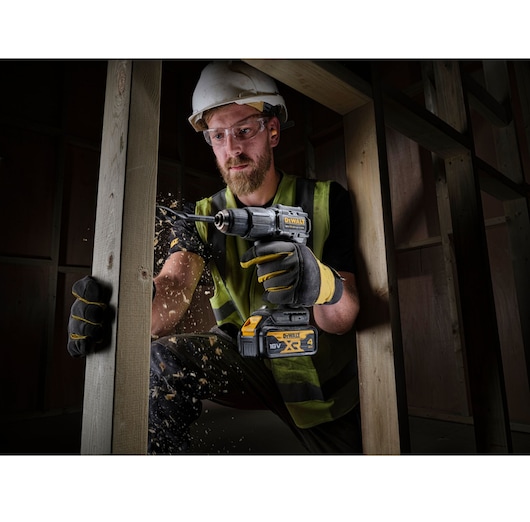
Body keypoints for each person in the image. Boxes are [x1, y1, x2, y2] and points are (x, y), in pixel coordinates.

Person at [68, 60, 362, 454]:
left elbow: (342, 319)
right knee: (162, 360)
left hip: (318, 378)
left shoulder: (326, 201)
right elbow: (171, 292)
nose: (232, 149)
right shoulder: (206, 218)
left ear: (272, 131)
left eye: (244, 131)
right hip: (246, 356)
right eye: (218, 136)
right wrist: (117, 314)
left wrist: (319, 282)